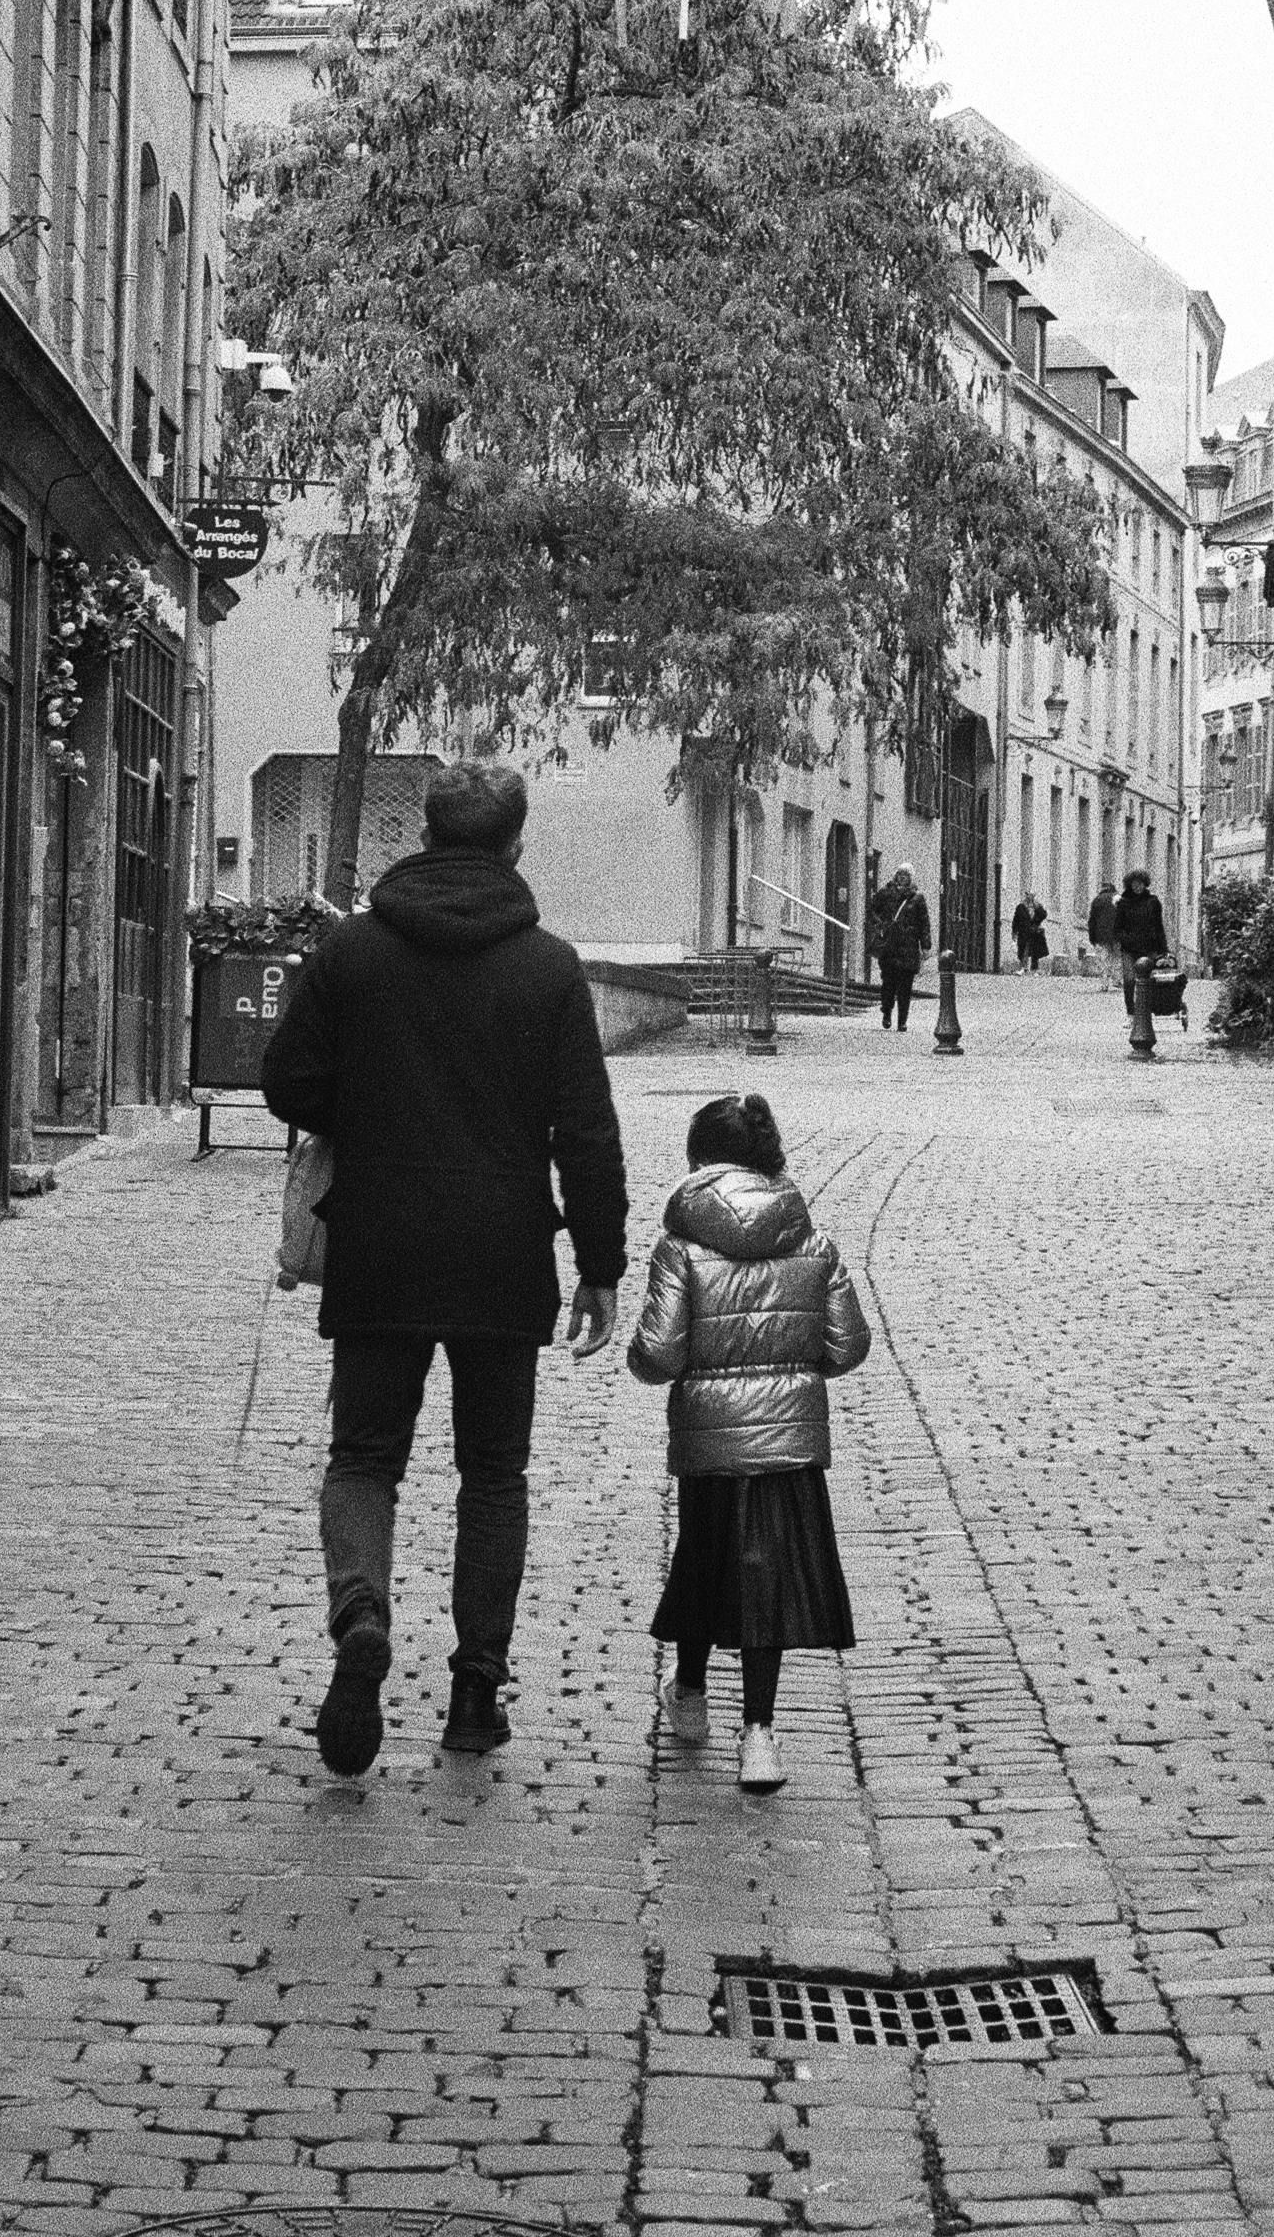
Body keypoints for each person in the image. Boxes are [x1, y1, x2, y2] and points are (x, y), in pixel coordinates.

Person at [261, 760, 629, 1776]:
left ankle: (361, 1615)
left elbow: (285, 1077)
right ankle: (473, 1691)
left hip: (379, 1240)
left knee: (366, 1455)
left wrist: (364, 1109)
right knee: (493, 1474)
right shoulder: (550, 968)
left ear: (423, 832)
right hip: (502, 1254)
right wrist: (599, 1263)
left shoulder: (354, 952)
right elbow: (586, 1131)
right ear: (515, 843)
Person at [628, 1093, 869, 1796]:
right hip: (790, 1440)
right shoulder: (813, 1240)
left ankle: (694, 1696)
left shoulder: (680, 1245)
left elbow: (659, 1351)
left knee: (704, 1559)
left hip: (710, 1440)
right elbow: (848, 1343)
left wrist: (654, 1366)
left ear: (699, 1160)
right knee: (768, 1578)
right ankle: (759, 1736)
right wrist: (795, 1372)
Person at [867, 866, 931, 1032]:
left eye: (906, 875)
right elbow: (872, 910)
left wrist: (925, 946)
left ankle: (902, 1020)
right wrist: (880, 925)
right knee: (888, 983)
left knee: (905, 987)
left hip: (909, 947)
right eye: (900, 874)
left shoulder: (917, 899)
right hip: (890, 946)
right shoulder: (886, 893)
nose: (902, 878)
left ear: (911, 878)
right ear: (896, 876)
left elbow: (924, 924)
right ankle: (886, 1011)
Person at [1112, 866, 1170, 1016]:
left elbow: (1159, 926)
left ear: (1145, 884)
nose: (1137, 886)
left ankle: (1144, 1012)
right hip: (1129, 949)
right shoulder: (1123, 903)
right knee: (1129, 981)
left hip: (1149, 947)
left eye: (1140, 883)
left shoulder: (1153, 902)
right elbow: (1117, 928)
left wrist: (1164, 949)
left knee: (1148, 981)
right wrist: (1127, 938)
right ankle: (1130, 1014)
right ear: (1129, 885)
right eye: (1134, 884)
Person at [1087, 879, 1119, 991]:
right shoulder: (1118, 898)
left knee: (1104, 959)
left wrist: (1092, 937)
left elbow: (1092, 921)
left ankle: (1104, 983)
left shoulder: (1097, 900)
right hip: (1117, 934)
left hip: (1101, 935)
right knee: (1117, 957)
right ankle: (1117, 980)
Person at [1011, 891, 1049, 974]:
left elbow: (1044, 915)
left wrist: (1037, 907)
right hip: (1023, 932)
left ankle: (1034, 969)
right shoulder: (1021, 907)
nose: (1029, 898)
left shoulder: (1037, 906)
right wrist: (1014, 933)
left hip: (1035, 932)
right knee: (1023, 950)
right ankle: (1023, 968)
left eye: (1032, 896)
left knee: (1035, 951)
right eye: (1028, 896)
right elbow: (1015, 920)